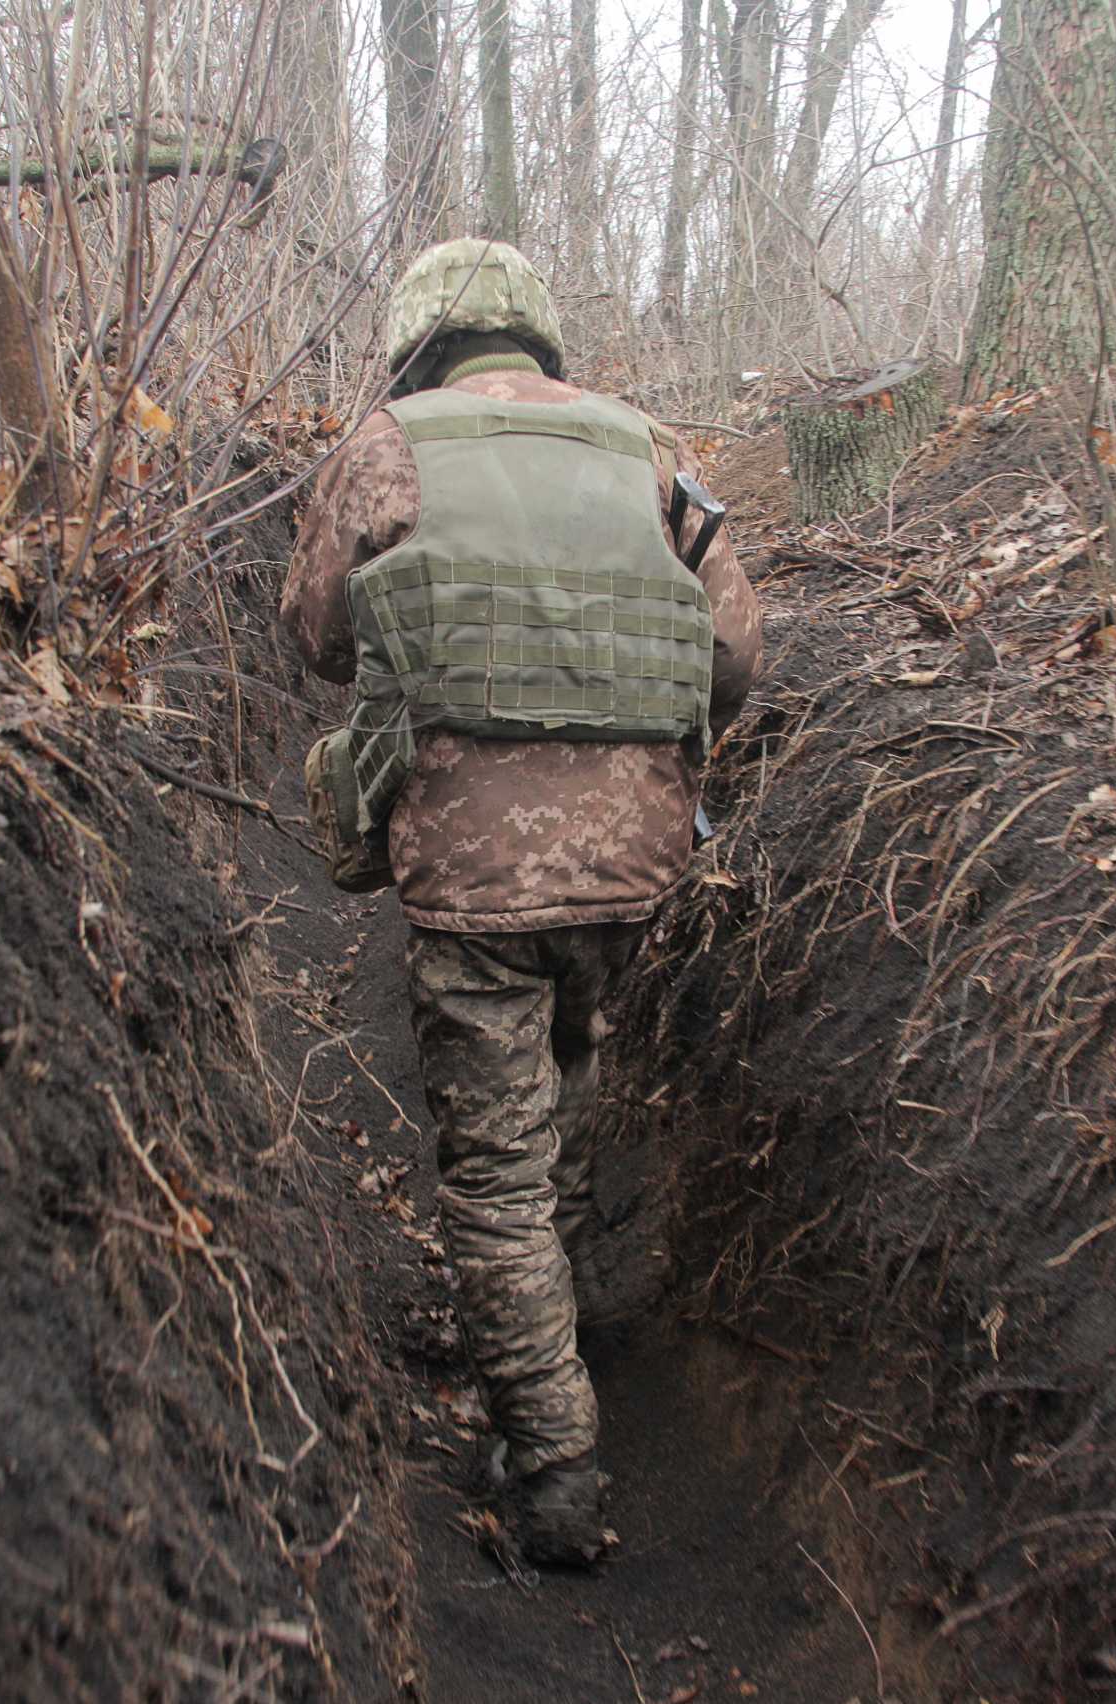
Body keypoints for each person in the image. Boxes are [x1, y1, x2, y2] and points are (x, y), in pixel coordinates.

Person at [281, 239, 762, 1566]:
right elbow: (732, 661)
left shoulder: (383, 445)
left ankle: (548, 1458)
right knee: (572, 1064)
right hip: (635, 868)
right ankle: (543, 1302)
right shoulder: (644, 445)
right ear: (537, 336)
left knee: (492, 1171)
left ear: (419, 341)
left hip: (473, 873)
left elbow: (316, 638)